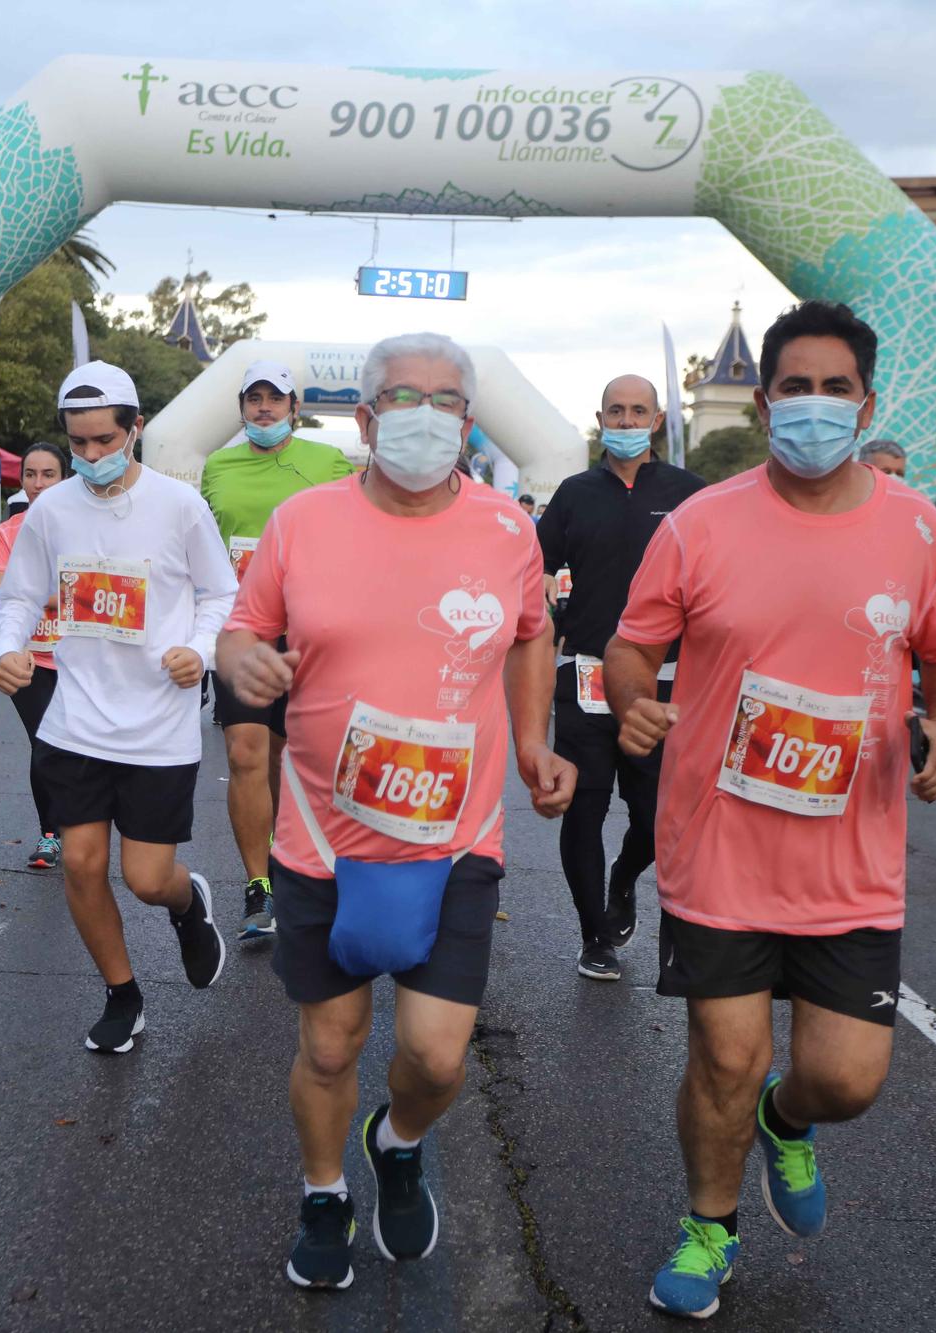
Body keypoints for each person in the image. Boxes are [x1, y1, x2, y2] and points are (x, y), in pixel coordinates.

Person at [603, 300, 936, 1320]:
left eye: (834, 388)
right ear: (764, 404)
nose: (813, 407)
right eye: (794, 389)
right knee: (724, 1054)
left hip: (850, 860)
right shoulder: (699, 524)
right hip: (715, 844)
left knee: (844, 1080)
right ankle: (707, 1227)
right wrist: (635, 700)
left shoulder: (914, 527)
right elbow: (633, 644)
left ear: (864, 401)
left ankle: (785, 1120)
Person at [217, 332, 574, 1291]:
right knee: (329, 1044)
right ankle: (325, 1190)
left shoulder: (507, 529)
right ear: (367, 419)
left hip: (455, 837)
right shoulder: (302, 522)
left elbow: (533, 635)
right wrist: (239, 658)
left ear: (469, 418)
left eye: (448, 399)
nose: (427, 414)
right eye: (404, 398)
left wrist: (535, 739)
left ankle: (400, 1139)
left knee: (435, 1053)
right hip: (322, 834)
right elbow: (243, 627)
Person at [0, 362, 237, 1053]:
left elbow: (221, 594)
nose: (92, 455)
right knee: (79, 861)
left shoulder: (179, 505)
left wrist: (201, 648)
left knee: (147, 876)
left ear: (135, 428)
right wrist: (5, 649)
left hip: (159, 721)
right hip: (76, 717)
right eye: (79, 443)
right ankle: (123, 995)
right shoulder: (52, 509)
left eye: (104, 439)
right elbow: (17, 598)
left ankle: (190, 907)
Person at [537, 373, 706, 982]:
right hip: (585, 674)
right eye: (616, 411)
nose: (627, 421)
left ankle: (625, 876)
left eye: (639, 412)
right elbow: (536, 567)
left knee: (658, 817)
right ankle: (594, 935)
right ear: (600, 417)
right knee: (583, 809)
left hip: (665, 683)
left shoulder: (690, 494)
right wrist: (543, 620)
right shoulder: (575, 492)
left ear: (657, 421)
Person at [199, 359, 355, 940]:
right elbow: (206, 550)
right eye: (253, 398)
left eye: (275, 398)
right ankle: (258, 885)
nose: (263, 407)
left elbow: (350, 534)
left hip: (308, 632)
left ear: (295, 407)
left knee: (291, 756)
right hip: (243, 631)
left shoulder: (327, 463)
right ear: (242, 407)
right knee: (244, 750)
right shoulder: (218, 466)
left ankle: (296, 855)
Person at [0, 441, 72, 869]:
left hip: (81, 662)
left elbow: (93, 593)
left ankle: (83, 822)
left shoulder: (85, 527)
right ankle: (50, 834)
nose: (38, 484)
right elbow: (4, 593)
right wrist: (56, 594)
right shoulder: (8, 532)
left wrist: (33, 594)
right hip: (30, 659)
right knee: (44, 744)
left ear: (66, 477)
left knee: (79, 749)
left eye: (48, 474)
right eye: (31, 475)